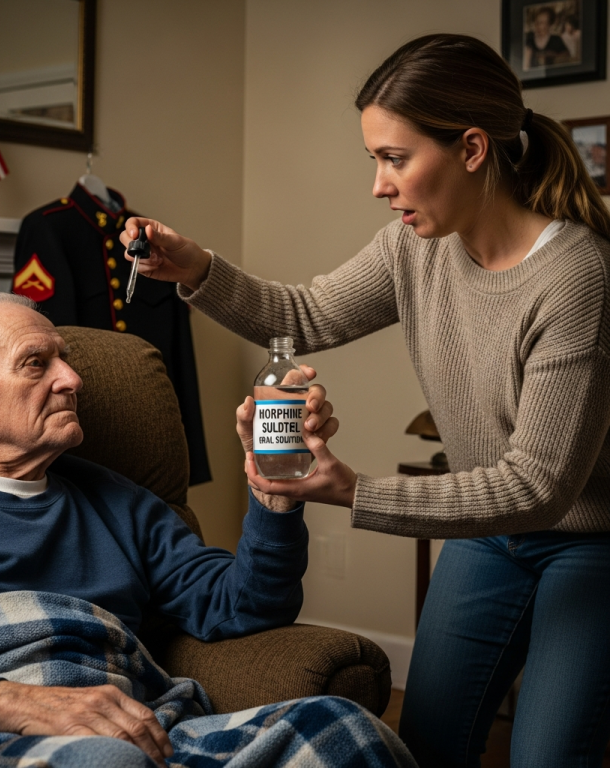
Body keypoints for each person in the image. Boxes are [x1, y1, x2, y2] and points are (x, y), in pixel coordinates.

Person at [119, 33, 610, 768]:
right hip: (487, 538)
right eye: (374, 159)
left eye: (395, 158)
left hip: (590, 541)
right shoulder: (415, 246)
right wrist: (195, 267)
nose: (379, 185)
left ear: (472, 149)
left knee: (547, 756)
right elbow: (304, 315)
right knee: (426, 745)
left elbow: (538, 488)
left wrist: (352, 490)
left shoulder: (576, 277)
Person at [0, 292, 416, 768]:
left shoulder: (116, 499)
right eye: (36, 363)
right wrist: (19, 703)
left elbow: (240, 607)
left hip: (141, 722)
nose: (72, 379)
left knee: (342, 727)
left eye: (66, 360)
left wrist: (274, 497)